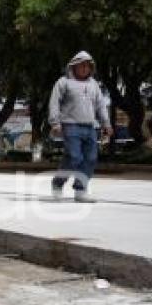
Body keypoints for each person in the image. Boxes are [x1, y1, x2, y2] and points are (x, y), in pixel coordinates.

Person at [48, 51, 113, 203]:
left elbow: (101, 105)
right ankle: (58, 183)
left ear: (91, 68)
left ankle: (80, 189)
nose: (84, 68)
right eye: (81, 65)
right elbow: (54, 102)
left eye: (87, 66)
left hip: (90, 126)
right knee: (74, 157)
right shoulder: (63, 82)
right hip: (70, 125)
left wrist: (106, 123)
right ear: (73, 66)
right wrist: (55, 123)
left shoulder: (94, 84)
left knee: (91, 158)